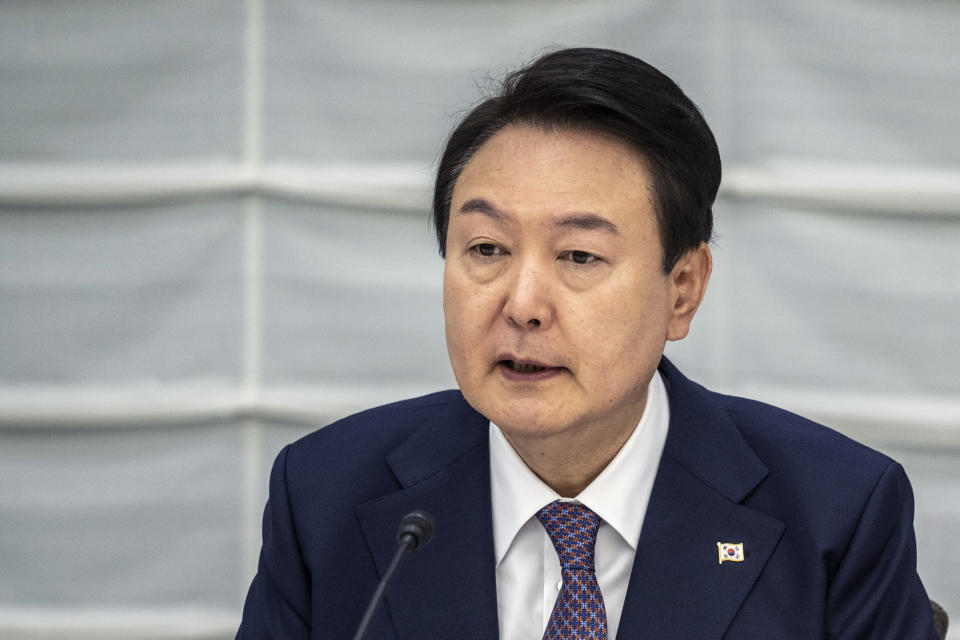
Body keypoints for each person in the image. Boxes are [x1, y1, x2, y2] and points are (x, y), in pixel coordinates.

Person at [236, 48, 940, 639]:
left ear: (683, 289)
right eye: (486, 248)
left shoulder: (836, 512)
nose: (522, 305)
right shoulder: (325, 498)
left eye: (578, 257)